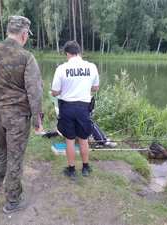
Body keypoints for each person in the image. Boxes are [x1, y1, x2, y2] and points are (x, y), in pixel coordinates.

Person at [0, 15, 44, 214]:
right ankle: (12, 200)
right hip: (17, 118)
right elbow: (35, 91)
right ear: (24, 34)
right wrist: (37, 120)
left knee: (0, 150)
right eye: (27, 35)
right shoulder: (26, 57)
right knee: (15, 157)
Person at [51, 40, 99, 180]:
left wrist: (64, 89)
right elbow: (95, 88)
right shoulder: (91, 67)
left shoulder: (61, 69)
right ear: (79, 52)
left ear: (67, 53)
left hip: (67, 107)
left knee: (70, 140)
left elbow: (54, 92)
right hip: (84, 108)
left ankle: (71, 170)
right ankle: (85, 167)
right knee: (83, 139)